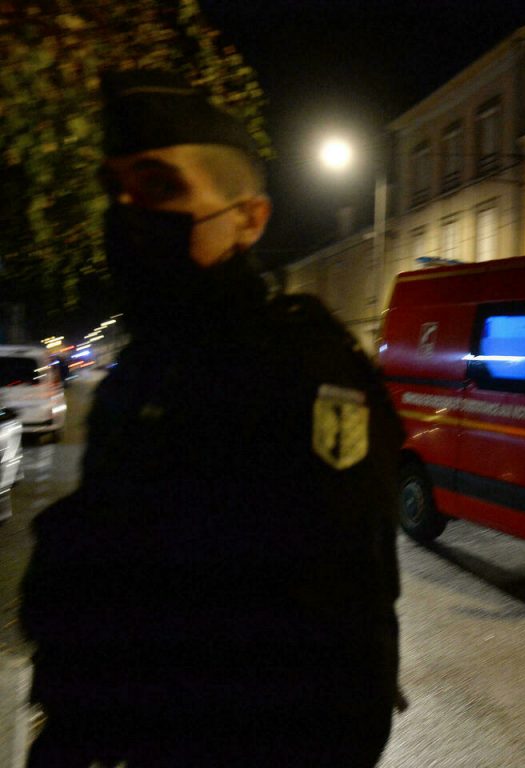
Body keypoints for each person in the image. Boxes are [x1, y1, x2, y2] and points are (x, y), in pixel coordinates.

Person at [19, 69, 404, 768]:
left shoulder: (303, 372)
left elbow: (343, 666)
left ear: (249, 220)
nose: (128, 212)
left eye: (160, 187)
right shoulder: (140, 375)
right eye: (116, 188)